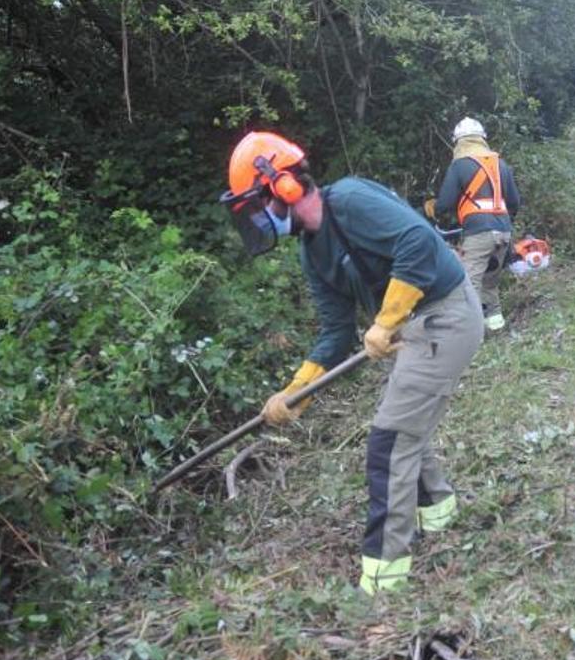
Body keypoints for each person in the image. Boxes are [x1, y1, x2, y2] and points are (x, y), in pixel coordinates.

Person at [219, 131, 483, 595]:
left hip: (446, 314)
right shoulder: (310, 254)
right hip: (414, 327)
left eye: (257, 206)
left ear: (283, 188)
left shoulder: (352, 200)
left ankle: (383, 576)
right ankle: (439, 511)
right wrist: (295, 392)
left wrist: (386, 320)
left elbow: (418, 242)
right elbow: (335, 333)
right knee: (405, 426)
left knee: (388, 440)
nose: (259, 220)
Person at [427, 117, 521, 333]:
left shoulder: (460, 165)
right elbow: (514, 202)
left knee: (470, 285)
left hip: (479, 233)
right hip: (503, 232)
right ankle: (496, 329)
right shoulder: (500, 164)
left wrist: (433, 207)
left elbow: (445, 204)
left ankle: (472, 336)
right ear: (482, 140)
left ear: (459, 141)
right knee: (490, 283)